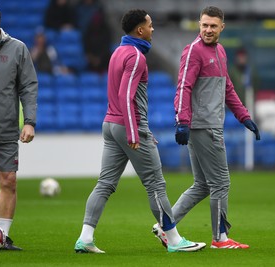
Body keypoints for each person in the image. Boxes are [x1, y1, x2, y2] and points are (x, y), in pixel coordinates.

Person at [74, 9, 206, 254]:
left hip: (111, 125)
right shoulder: (136, 57)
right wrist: (136, 132)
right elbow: (126, 96)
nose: (153, 29)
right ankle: (175, 240)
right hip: (128, 126)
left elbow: (117, 95)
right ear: (140, 30)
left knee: (104, 184)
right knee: (156, 185)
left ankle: (85, 238)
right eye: (150, 25)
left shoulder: (118, 52)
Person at [152, 6, 260, 250]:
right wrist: (182, 121)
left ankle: (164, 226)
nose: (208, 30)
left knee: (202, 185)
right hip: (204, 126)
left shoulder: (220, 52)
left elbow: (228, 88)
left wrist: (244, 117)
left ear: (222, 27)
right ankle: (220, 238)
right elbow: (183, 87)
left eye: (213, 26)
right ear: (199, 25)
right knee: (221, 182)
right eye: (204, 25)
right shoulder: (193, 51)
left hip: (208, 125)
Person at [0, 3, 38, 250]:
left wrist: (29, 122)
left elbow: (28, 87)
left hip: (4, 127)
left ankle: (1, 238)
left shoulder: (18, 49)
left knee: (8, 181)